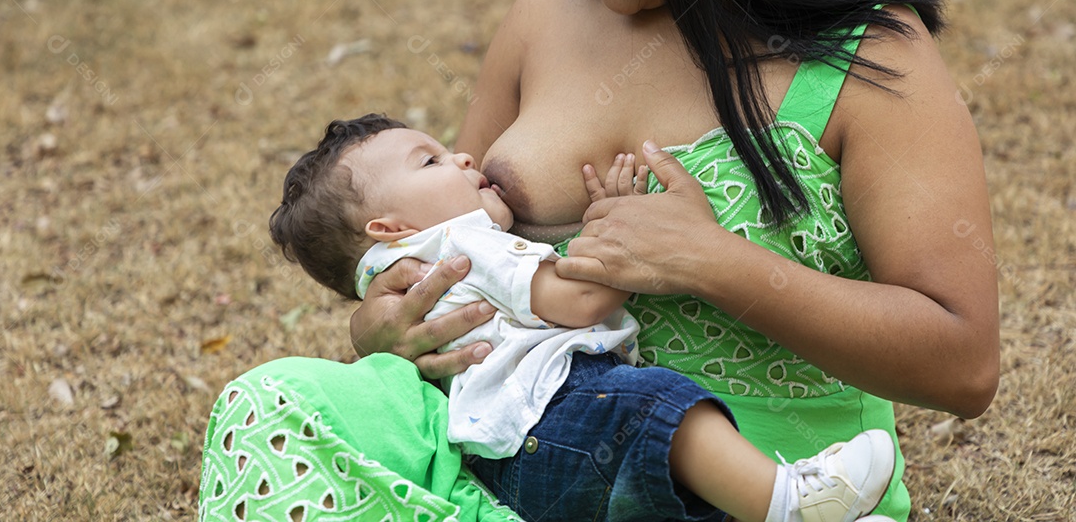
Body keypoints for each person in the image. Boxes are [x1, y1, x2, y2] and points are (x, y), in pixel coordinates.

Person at [199, 0, 1000, 520]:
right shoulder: (547, 10)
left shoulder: (870, 59)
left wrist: (717, 263)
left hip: (754, 491)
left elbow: (963, 367)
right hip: (517, 471)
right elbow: (451, 239)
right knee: (269, 405)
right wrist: (387, 330)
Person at [260, 114, 898, 522]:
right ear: (391, 229)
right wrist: (621, 228)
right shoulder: (463, 248)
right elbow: (581, 301)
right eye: (430, 162)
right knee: (661, 408)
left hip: (514, 454)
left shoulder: (401, 279)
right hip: (558, 416)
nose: (460, 157)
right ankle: (788, 499)